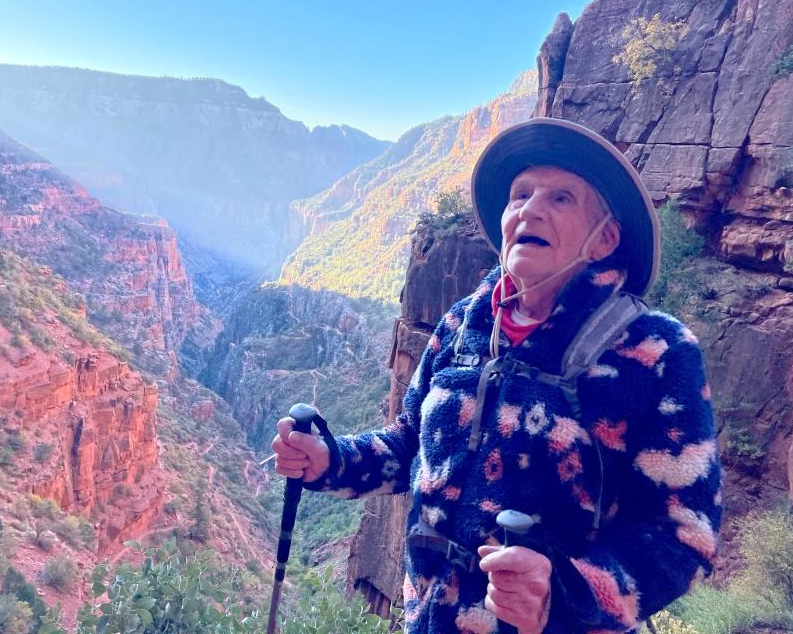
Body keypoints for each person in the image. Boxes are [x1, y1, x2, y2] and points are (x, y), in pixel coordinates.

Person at [272, 118, 721, 634]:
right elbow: (409, 445)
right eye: (520, 195)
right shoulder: (465, 322)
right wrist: (331, 461)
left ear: (606, 239)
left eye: (561, 199)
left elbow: (685, 536)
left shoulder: (656, 351)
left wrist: (562, 595)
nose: (530, 209)